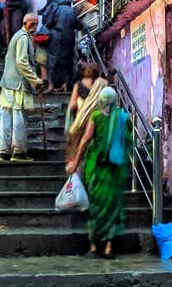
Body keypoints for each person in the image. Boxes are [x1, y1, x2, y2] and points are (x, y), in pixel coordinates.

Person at [65, 86, 130, 259]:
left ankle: (93, 246)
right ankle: (108, 247)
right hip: (115, 169)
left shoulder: (95, 116)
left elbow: (86, 139)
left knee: (96, 205)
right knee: (113, 206)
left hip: (98, 167)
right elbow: (127, 141)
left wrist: (76, 161)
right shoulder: (122, 117)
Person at [0, 12, 44, 163]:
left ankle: (3, 152)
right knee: (18, 117)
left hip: (8, 81)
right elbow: (22, 62)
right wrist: (35, 80)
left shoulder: (18, 36)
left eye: (36, 24)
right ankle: (18, 153)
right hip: (18, 83)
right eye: (32, 23)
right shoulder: (23, 38)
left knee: (5, 116)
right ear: (25, 23)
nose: (35, 27)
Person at [40, 0, 81, 92]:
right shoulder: (72, 10)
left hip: (55, 37)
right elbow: (78, 25)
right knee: (67, 61)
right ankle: (65, 84)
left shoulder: (54, 7)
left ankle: (51, 85)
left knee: (53, 61)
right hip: (69, 38)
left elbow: (48, 22)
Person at [66, 62, 108, 163]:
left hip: (82, 119)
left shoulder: (79, 85)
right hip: (98, 119)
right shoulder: (103, 83)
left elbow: (72, 105)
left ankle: (77, 162)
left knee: (80, 142)